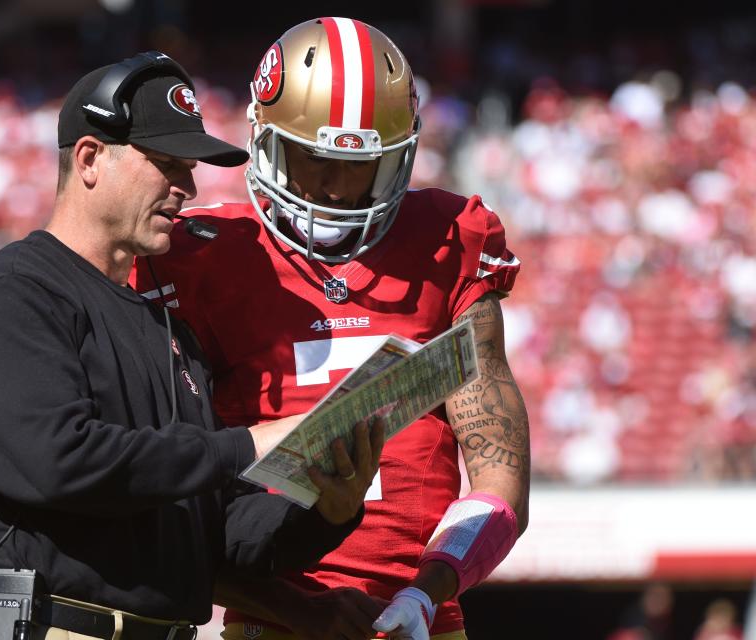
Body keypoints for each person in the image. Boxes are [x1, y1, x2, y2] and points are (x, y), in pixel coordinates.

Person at [0, 51, 384, 639]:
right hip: (43, 626)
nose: (186, 187)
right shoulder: (13, 293)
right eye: (167, 163)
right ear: (90, 159)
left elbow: (217, 537)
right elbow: (59, 462)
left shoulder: (169, 328)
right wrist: (247, 444)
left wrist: (330, 508)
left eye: (188, 168)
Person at [135, 18, 531, 640]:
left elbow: (502, 477)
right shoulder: (196, 255)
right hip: (270, 619)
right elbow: (165, 510)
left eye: (360, 167)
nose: (334, 189)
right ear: (264, 141)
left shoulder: (450, 239)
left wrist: (427, 593)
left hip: (420, 619)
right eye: (313, 159)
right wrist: (299, 610)